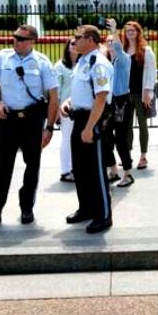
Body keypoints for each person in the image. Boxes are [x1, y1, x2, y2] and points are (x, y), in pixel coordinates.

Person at [0, 25, 59, 231]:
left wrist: (49, 128)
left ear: (32, 41)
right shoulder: (3, 57)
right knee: (2, 167)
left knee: (32, 166)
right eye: (15, 37)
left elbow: (53, 96)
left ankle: (27, 208)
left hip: (32, 120)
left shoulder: (42, 62)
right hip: (9, 120)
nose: (16, 41)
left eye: (21, 38)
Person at [61, 25, 114, 234]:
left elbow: (101, 97)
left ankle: (103, 215)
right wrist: (68, 103)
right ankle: (86, 208)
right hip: (79, 118)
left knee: (96, 171)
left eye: (78, 37)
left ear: (90, 39)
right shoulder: (83, 61)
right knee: (81, 168)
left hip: (92, 121)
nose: (74, 42)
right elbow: (83, 91)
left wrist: (90, 128)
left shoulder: (98, 63)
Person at [102, 19, 134, 187]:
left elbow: (119, 48)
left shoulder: (124, 59)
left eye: (112, 41)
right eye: (108, 42)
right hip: (110, 102)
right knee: (106, 136)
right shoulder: (107, 63)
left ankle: (127, 173)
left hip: (122, 102)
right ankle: (113, 169)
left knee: (121, 139)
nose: (111, 44)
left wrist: (114, 30)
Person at [122, 21, 157, 169]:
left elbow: (151, 71)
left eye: (133, 30)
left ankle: (143, 156)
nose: (130, 33)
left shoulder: (145, 50)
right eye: (127, 31)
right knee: (126, 125)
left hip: (140, 93)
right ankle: (127, 155)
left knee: (143, 124)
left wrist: (148, 91)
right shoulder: (123, 50)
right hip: (126, 93)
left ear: (138, 32)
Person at [54, 39, 79, 182]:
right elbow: (56, 91)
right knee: (67, 139)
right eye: (72, 44)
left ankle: (77, 167)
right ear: (67, 47)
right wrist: (57, 109)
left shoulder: (84, 64)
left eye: (77, 43)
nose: (75, 46)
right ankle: (65, 170)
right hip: (66, 109)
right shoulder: (60, 66)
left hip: (82, 106)